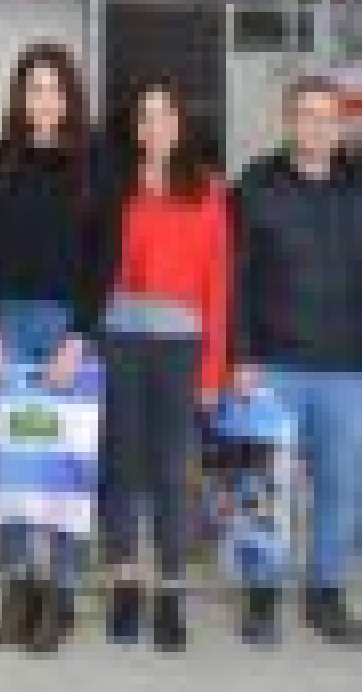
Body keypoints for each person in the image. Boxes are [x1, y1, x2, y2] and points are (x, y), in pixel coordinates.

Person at [0, 43, 106, 653]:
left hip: (65, 330)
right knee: (12, 461)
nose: (43, 99)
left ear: (69, 95)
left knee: (64, 466)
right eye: (33, 87)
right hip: (8, 323)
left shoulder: (94, 161)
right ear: (20, 95)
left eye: (54, 88)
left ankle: (61, 592)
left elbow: (102, 258)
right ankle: (18, 586)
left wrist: (80, 335)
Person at [101, 78, 231, 651]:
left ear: (180, 124)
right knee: (120, 468)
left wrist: (211, 373)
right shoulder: (115, 185)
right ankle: (127, 584)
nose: (154, 126)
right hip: (120, 341)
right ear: (135, 128)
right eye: (145, 116)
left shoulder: (208, 188)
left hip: (182, 346)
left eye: (164, 115)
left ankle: (171, 592)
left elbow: (219, 284)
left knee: (173, 474)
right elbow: (100, 268)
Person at [234, 75, 362, 645]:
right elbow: (235, 279)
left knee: (342, 486)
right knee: (264, 487)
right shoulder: (255, 185)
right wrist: (241, 356)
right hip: (273, 367)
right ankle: (261, 593)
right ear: (287, 121)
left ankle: (325, 592)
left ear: (342, 125)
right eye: (305, 115)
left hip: (347, 369)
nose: (317, 126)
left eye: (327, 117)